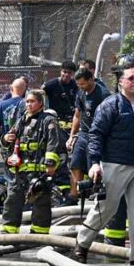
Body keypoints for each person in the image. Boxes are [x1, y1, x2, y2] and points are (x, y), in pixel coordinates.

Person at [73, 61, 134, 265]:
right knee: (106, 208)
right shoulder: (110, 105)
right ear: (120, 83)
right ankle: (82, 244)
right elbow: (96, 134)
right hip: (115, 164)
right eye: (131, 78)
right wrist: (93, 163)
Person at [0, 89, 61, 235]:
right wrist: (5, 138)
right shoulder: (21, 120)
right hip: (20, 170)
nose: (28, 104)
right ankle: (8, 233)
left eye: (32, 101)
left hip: (39, 171)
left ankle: (39, 236)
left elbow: (53, 143)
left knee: (41, 203)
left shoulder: (48, 120)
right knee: (13, 200)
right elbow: (8, 141)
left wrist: (50, 164)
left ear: (40, 103)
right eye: (27, 101)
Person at [69, 68, 110, 195]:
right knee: (75, 164)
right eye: (78, 84)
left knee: (93, 166)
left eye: (83, 84)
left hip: (97, 135)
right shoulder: (81, 93)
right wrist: (71, 136)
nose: (81, 87)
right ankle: (74, 195)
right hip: (83, 134)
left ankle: (95, 192)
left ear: (91, 79)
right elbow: (77, 115)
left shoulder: (103, 95)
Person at [43, 61, 78, 201]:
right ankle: (63, 186)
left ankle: (75, 186)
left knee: (74, 155)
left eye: (69, 73)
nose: (66, 75)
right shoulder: (52, 84)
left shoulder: (75, 86)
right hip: (57, 126)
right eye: (64, 72)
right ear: (60, 71)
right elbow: (40, 93)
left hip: (72, 125)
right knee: (61, 154)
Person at [0, 77, 27, 158]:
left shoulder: (2, 104)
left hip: (8, 143)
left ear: (11, 88)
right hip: (24, 144)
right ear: (24, 90)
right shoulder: (28, 104)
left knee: (9, 168)